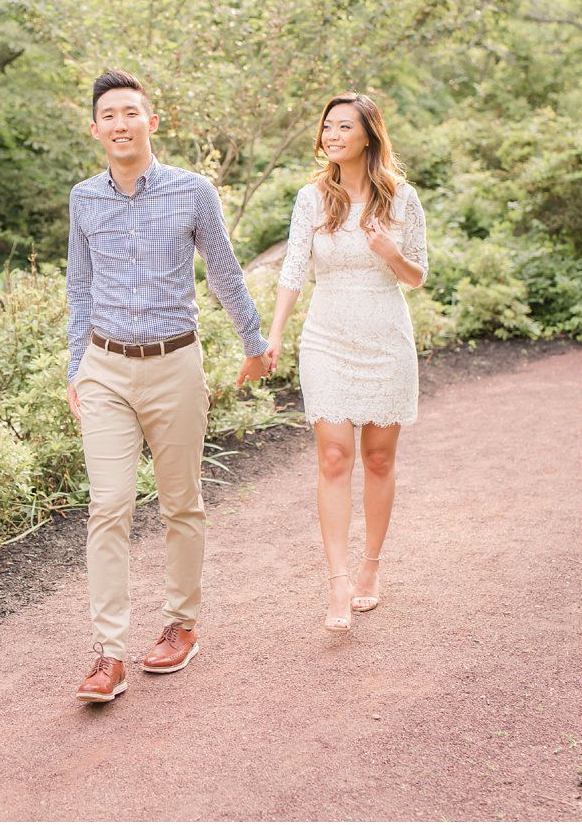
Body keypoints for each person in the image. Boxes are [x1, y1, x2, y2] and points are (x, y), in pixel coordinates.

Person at [66, 69, 270, 703]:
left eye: (132, 113)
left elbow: (226, 274)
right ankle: (108, 654)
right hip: (105, 367)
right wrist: (77, 365)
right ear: (95, 127)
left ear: (152, 122)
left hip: (175, 364)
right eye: (109, 115)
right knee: (110, 504)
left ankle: (181, 625)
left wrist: (255, 343)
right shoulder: (83, 198)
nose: (120, 124)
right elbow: (78, 287)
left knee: (181, 502)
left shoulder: (192, 191)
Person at [264, 93, 427, 632]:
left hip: (385, 338)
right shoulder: (312, 199)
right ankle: (336, 582)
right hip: (327, 337)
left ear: (368, 136)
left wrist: (389, 252)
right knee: (334, 458)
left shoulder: (403, 199)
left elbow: (417, 276)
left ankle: (370, 569)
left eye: (343, 127)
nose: (331, 135)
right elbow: (292, 269)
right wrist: (275, 336)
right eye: (326, 127)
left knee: (378, 459)